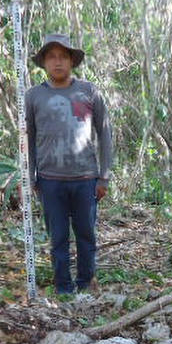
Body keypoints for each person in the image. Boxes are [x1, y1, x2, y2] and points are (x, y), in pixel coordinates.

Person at [25, 33, 113, 296]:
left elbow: (105, 133)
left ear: (72, 60)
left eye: (63, 56)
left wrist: (104, 176)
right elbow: (27, 139)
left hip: (85, 179)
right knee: (58, 239)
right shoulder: (33, 96)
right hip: (50, 181)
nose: (58, 62)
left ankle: (86, 284)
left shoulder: (89, 91)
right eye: (51, 57)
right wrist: (30, 177)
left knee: (86, 236)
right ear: (44, 62)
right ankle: (63, 289)